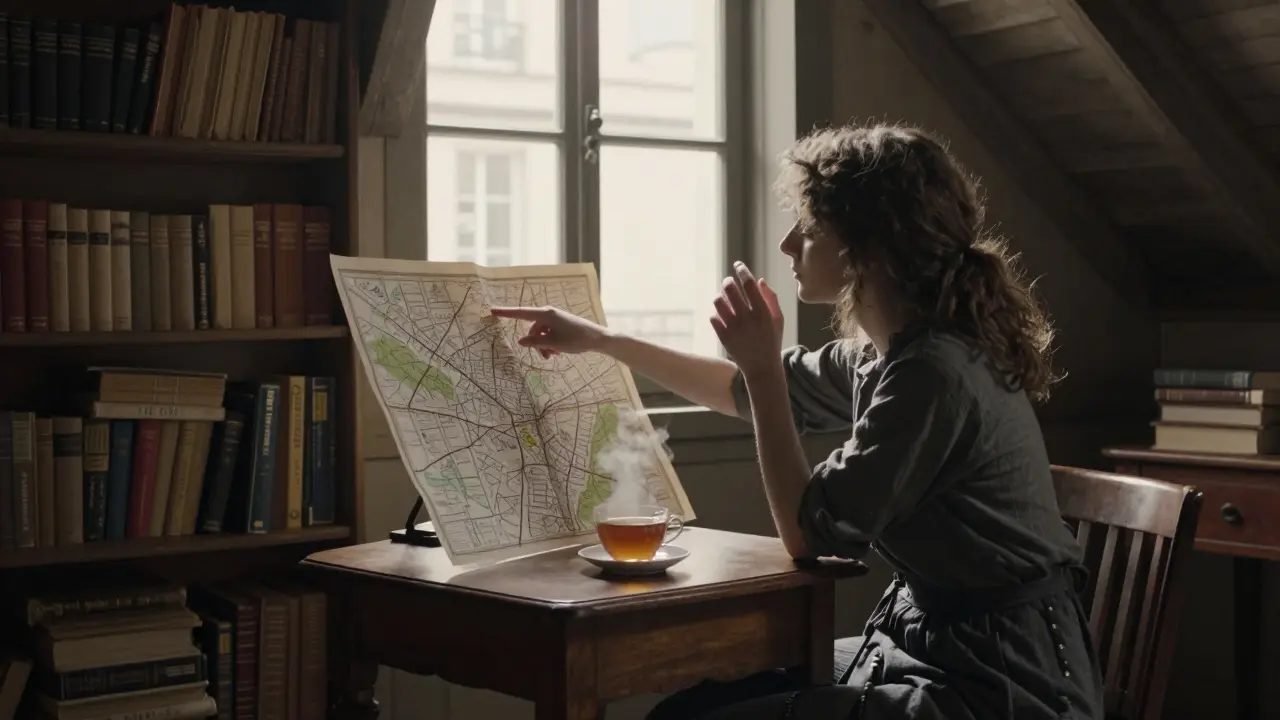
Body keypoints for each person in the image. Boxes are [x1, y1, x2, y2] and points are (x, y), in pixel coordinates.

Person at [489, 122, 1104, 720]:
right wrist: (601, 340)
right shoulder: (888, 354)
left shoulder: (934, 373)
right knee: (690, 705)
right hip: (926, 648)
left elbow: (808, 534)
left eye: (808, 228)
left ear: (867, 246)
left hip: (1001, 685)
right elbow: (738, 390)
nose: (787, 245)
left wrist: (761, 370)